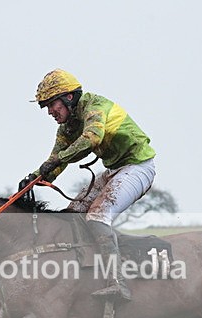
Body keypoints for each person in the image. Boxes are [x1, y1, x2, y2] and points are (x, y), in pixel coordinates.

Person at [22, 69, 156, 302]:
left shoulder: (96, 106)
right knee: (72, 214)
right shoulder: (66, 128)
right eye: (47, 108)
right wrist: (33, 178)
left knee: (97, 216)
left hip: (138, 167)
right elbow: (55, 161)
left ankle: (118, 282)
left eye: (53, 105)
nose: (51, 112)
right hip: (114, 171)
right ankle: (83, 273)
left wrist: (55, 161)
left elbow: (91, 139)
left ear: (69, 98)